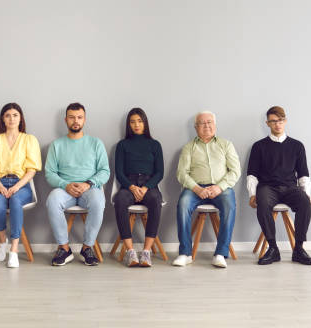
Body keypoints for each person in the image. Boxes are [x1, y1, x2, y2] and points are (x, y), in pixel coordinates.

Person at [247, 106, 311, 265]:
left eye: (280, 120)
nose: (277, 124)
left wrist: (307, 193)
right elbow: (252, 174)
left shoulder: (297, 146)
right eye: (273, 121)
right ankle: (273, 248)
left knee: (304, 202)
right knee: (262, 201)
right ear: (267, 123)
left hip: (290, 188)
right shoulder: (259, 146)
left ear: (285, 121)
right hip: (268, 188)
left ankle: (298, 249)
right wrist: (252, 194)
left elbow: (303, 174)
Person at [173, 111, 241, 268]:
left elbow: (235, 171)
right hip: (195, 188)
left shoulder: (226, 145)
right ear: (196, 127)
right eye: (202, 123)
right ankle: (185, 253)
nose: (207, 126)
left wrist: (219, 187)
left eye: (209, 122)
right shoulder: (189, 147)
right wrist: (196, 189)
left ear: (215, 125)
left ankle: (220, 254)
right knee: (183, 205)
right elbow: (181, 173)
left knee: (230, 206)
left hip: (221, 187)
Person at [45, 102, 110, 266]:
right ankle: (64, 249)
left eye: (79, 117)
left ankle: (87, 248)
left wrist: (88, 184)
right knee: (52, 199)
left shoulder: (96, 143)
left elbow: (104, 171)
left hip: (89, 188)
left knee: (98, 200)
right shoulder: (57, 145)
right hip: (65, 189)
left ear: (84, 120)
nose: (76, 121)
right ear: (65, 120)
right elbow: (49, 173)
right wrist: (65, 185)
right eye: (72, 117)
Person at [0, 103, 42, 268]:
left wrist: (16, 187)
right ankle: (2, 241)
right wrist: (0, 186)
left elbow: (31, 170)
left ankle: (14, 251)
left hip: (21, 184)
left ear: (20, 117)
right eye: (8, 115)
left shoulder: (29, 139)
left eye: (15, 115)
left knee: (15, 202)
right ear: (3, 118)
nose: (11, 118)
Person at [114, 108, 164, 267]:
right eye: (133, 122)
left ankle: (146, 252)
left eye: (140, 121)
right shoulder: (122, 145)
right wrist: (132, 187)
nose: (136, 125)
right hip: (129, 183)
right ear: (128, 125)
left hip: (149, 185)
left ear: (145, 123)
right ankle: (130, 251)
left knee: (156, 199)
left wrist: (146, 187)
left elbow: (160, 172)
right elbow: (119, 172)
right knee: (120, 199)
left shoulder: (155, 145)